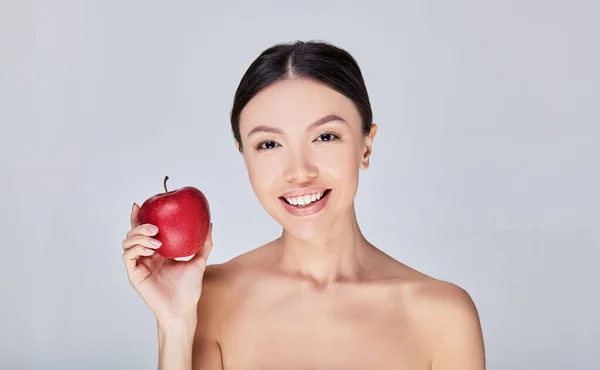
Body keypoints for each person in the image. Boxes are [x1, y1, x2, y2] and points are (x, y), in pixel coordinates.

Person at [122, 40, 486, 369]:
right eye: (268, 144)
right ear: (244, 156)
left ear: (366, 146)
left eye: (326, 136)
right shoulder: (207, 298)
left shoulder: (444, 316)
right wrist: (175, 324)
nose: (299, 172)